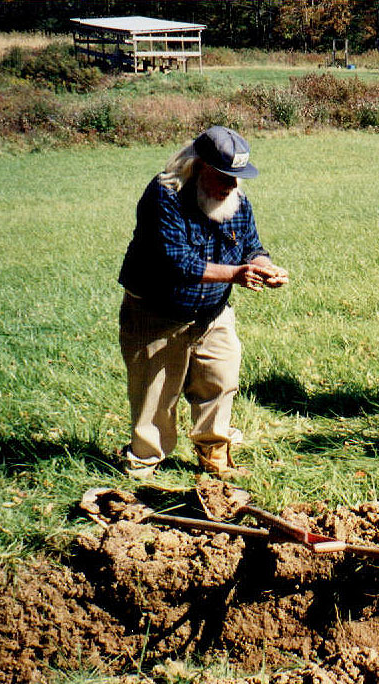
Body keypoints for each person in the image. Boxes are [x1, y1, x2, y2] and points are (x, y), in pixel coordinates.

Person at [118, 126, 288, 480]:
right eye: (223, 176)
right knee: (156, 395)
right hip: (157, 310)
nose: (230, 185)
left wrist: (264, 267)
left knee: (220, 378)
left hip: (212, 311)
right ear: (198, 167)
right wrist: (236, 274)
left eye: (236, 177)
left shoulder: (236, 199)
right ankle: (145, 462)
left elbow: (251, 246)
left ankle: (213, 452)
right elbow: (176, 262)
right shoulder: (165, 195)